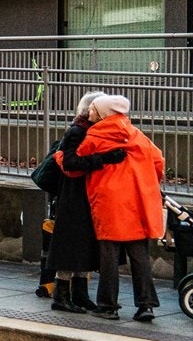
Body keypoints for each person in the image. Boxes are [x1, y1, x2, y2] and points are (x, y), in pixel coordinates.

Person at [76, 94, 165, 321]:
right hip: (136, 203)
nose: (91, 114)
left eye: (94, 110)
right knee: (139, 256)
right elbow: (158, 162)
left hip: (109, 203)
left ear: (104, 114)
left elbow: (74, 166)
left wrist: (58, 157)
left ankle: (108, 306)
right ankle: (146, 306)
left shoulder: (94, 137)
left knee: (109, 257)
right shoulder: (137, 136)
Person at [47, 91, 110, 313]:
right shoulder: (77, 131)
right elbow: (71, 162)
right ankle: (61, 295)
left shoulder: (87, 130)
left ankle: (79, 294)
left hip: (82, 195)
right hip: (73, 196)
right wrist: (102, 160)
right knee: (70, 245)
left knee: (82, 244)